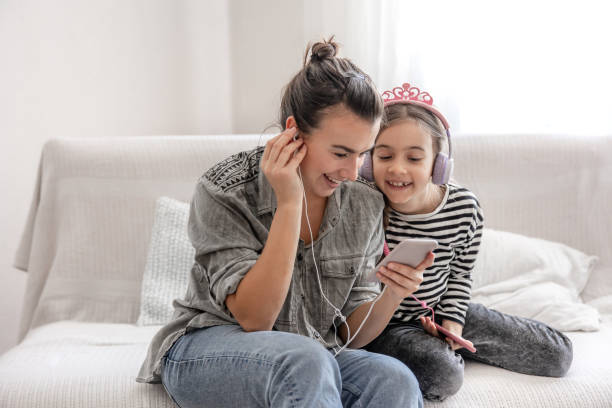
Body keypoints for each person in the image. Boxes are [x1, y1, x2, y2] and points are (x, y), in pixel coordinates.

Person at [136, 40, 430, 407]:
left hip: (316, 355)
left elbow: (351, 337)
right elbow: (255, 318)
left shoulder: (364, 202)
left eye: (362, 154)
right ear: (294, 132)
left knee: (394, 379)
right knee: (304, 360)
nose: (352, 171)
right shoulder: (225, 190)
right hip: (209, 345)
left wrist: (393, 294)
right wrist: (290, 202)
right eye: (340, 152)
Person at [360, 82, 574, 402]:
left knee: (558, 354)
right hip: (384, 327)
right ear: (367, 160)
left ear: (439, 164)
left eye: (414, 158)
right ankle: (438, 354)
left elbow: (460, 274)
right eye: (385, 155)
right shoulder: (362, 206)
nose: (397, 168)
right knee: (444, 374)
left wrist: (453, 325)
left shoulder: (464, 207)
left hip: (437, 314)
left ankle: (445, 346)